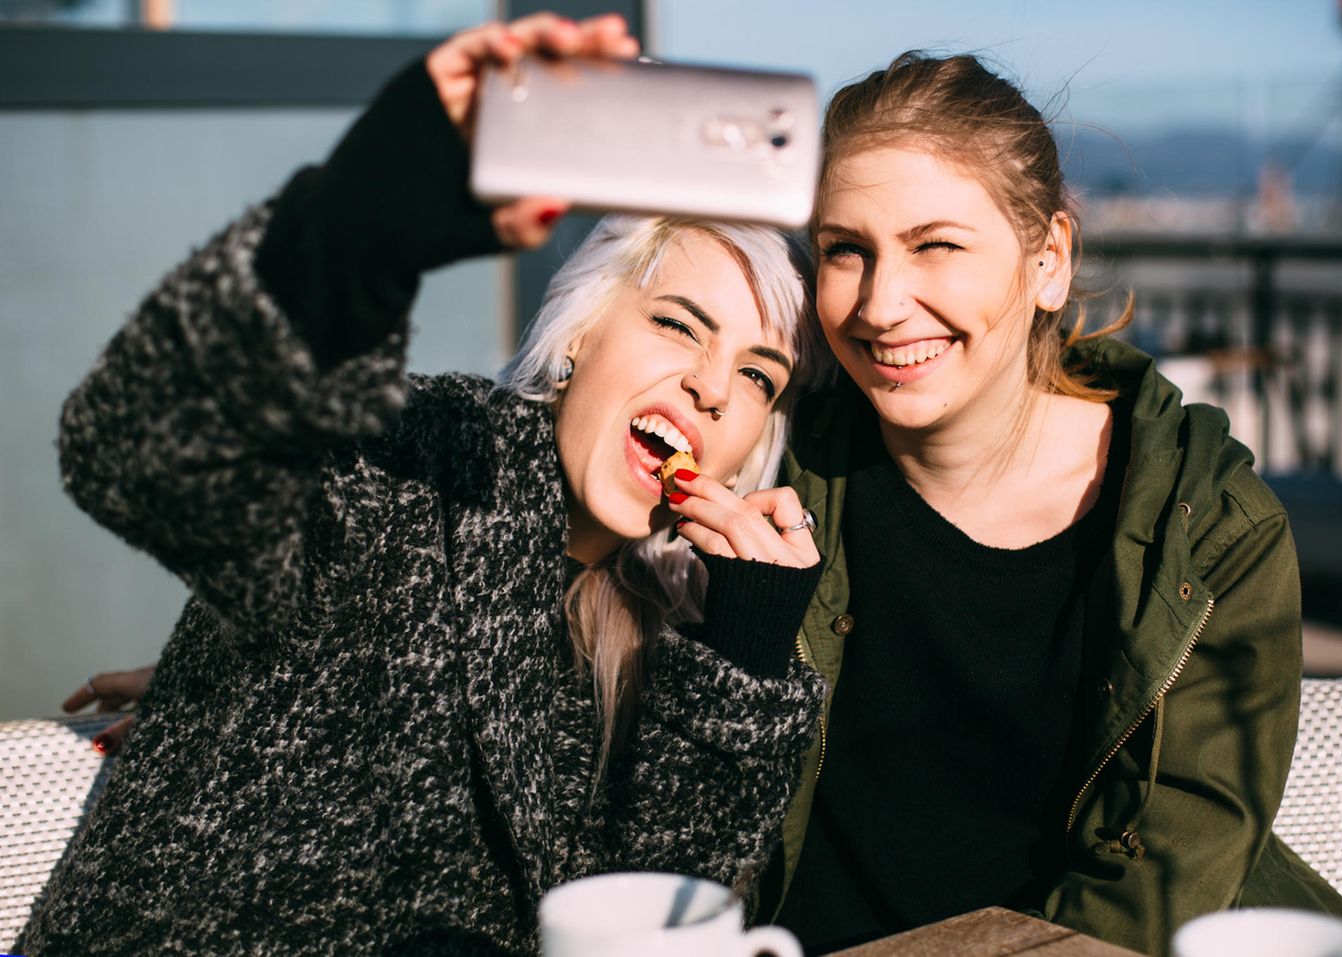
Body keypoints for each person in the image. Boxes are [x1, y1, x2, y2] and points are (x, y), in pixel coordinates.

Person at [21, 14, 831, 956]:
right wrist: (363, 217)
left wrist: (744, 648)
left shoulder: (670, 625)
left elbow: (654, 915)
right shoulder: (419, 459)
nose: (713, 387)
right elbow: (142, 449)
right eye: (680, 326)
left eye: (760, 375)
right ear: (578, 334)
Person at [760, 52, 1342, 955]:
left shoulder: (1206, 536)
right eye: (847, 250)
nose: (882, 305)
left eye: (937, 245)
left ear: (1049, 261)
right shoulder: (769, 468)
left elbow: (1157, 887)